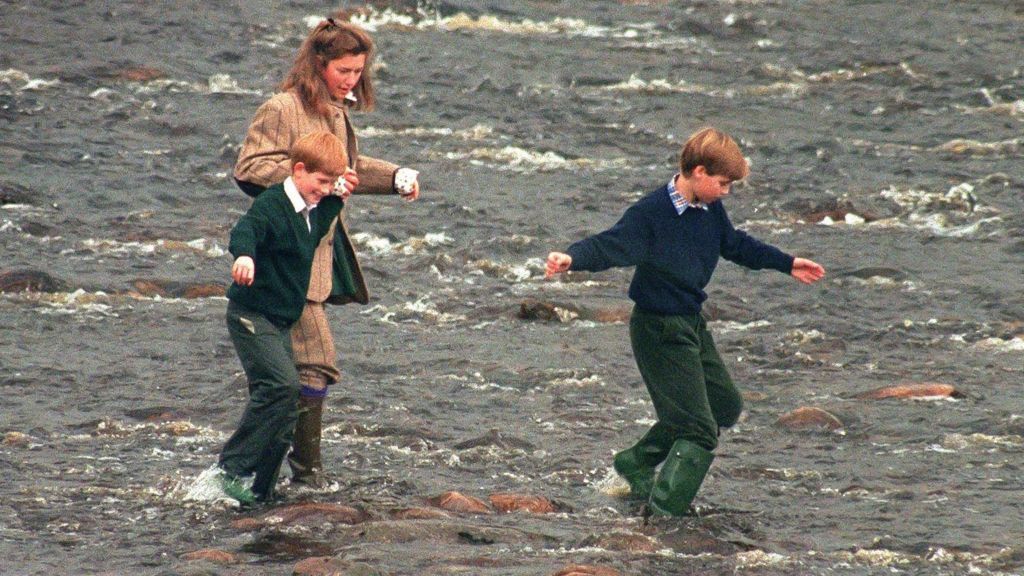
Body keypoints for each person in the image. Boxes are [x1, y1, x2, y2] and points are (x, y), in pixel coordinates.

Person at [545, 128, 825, 516]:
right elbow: (609, 244)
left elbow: (736, 244)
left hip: (690, 324)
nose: (725, 191)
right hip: (657, 329)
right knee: (698, 429)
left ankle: (636, 462)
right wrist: (571, 259)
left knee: (723, 408)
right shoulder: (651, 214)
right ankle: (664, 516)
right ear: (697, 172)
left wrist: (787, 262)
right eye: (722, 183)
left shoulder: (709, 209)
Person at [233, 17, 421, 488]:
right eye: (344, 70)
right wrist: (308, 177)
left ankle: (276, 475)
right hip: (283, 257)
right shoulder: (282, 108)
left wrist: (395, 177)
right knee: (312, 363)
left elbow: (345, 169)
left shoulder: (337, 112)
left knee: (299, 374)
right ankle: (304, 475)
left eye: (358, 71)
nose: (352, 80)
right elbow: (250, 168)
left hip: (317, 253)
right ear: (319, 64)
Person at [218, 131, 350, 504]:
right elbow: (246, 230)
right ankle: (231, 469)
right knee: (280, 386)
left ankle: (261, 491)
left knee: (286, 408)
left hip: (279, 322)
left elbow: (321, 220)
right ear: (299, 170)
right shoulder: (273, 204)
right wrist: (244, 256)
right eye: (321, 182)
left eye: (331, 182)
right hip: (251, 315)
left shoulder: (310, 211)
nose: (324, 189)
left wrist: (338, 196)